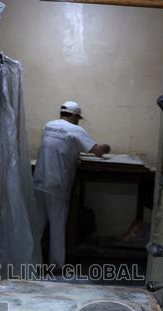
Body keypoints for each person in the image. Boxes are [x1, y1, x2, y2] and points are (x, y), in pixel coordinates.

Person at [32, 101, 110, 268]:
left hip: (38, 180)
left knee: (37, 226)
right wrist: (106, 147)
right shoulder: (75, 130)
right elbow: (97, 151)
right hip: (57, 184)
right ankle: (56, 266)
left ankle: (31, 262)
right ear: (74, 116)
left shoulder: (48, 125)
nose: (78, 122)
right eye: (78, 119)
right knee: (57, 226)